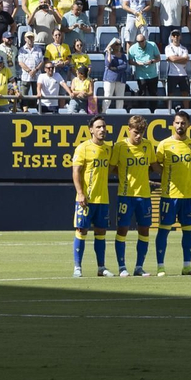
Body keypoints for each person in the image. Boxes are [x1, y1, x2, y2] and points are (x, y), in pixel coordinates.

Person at [154, 110, 191, 276]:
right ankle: (161, 267)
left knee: (188, 231)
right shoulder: (164, 145)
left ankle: (187, 266)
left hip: (189, 195)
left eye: (183, 123)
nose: (180, 126)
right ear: (173, 124)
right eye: (177, 122)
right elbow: (155, 165)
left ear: (188, 125)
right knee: (164, 230)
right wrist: (165, 177)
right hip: (169, 195)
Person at [110, 114, 156, 278]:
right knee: (122, 229)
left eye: (141, 133)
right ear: (129, 130)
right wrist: (124, 175)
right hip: (126, 195)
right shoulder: (120, 146)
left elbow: (152, 165)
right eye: (136, 132)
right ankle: (122, 267)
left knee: (144, 230)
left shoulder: (148, 145)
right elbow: (112, 167)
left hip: (144, 196)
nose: (138, 136)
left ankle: (139, 267)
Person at [70, 113, 113, 278]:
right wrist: (80, 193)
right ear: (91, 131)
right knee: (81, 230)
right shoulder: (83, 148)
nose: (102, 130)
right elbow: (76, 172)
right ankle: (77, 267)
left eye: (103, 126)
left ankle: (101, 267)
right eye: (98, 127)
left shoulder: (108, 149)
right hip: (86, 199)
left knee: (101, 233)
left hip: (103, 199)